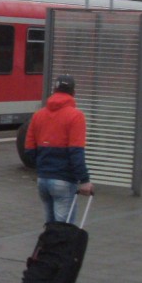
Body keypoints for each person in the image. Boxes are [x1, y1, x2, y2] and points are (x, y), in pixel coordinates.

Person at [25, 74, 94, 223]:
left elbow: (29, 151)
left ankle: (48, 247)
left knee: (51, 229)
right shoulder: (76, 116)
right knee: (63, 231)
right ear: (73, 93)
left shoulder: (38, 115)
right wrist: (85, 180)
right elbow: (76, 153)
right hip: (64, 180)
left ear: (54, 91)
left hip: (43, 181)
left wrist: (44, 167)